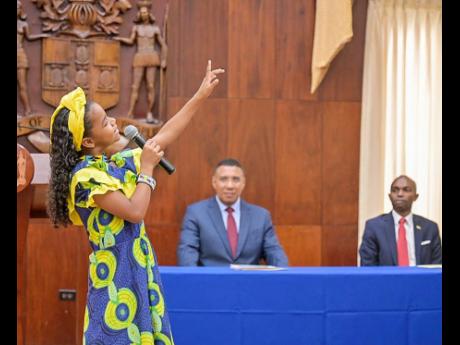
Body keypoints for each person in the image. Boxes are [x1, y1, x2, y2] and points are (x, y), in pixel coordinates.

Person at [47, 60, 224, 344]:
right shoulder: (85, 178)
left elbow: (162, 137)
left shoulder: (111, 164)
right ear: (89, 142)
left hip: (138, 264)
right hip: (116, 274)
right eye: (105, 122)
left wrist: (200, 95)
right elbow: (135, 212)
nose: (114, 122)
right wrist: (147, 171)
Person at [177, 158, 289, 267]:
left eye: (235, 179)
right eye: (223, 179)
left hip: (249, 283)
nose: (230, 185)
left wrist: (286, 278)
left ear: (243, 183)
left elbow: (274, 252)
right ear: (214, 182)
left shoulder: (261, 216)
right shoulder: (196, 213)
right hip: (211, 283)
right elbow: (187, 253)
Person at [359, 175, 442, 266]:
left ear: (415, 196)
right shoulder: (374, 227)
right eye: (395, 190)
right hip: (387, 279)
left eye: (406, 190)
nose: (400, 194)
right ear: (390, 196)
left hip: (421, 279)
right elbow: (368, 266)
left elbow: (437, 265)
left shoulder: (430, 228)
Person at [114, 1, 167, 123]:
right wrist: (120, 39)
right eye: (141, 12)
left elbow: (163, 45)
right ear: (139, 14)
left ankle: (149, 113)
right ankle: (131, 112)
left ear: (148, 14)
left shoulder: (155, 29)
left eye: (145, 12)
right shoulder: (136, 28)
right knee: (135, 86)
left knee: (151, 86)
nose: (143, 14)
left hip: (152, 57)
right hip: (140, 56)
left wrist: (163, 60)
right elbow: (131, 41)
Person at [17, 0, 49, 116]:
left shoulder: (23, 25)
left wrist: (42, 35)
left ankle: (27, 110)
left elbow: (29, 37)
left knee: (22, 85)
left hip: (20, 55)